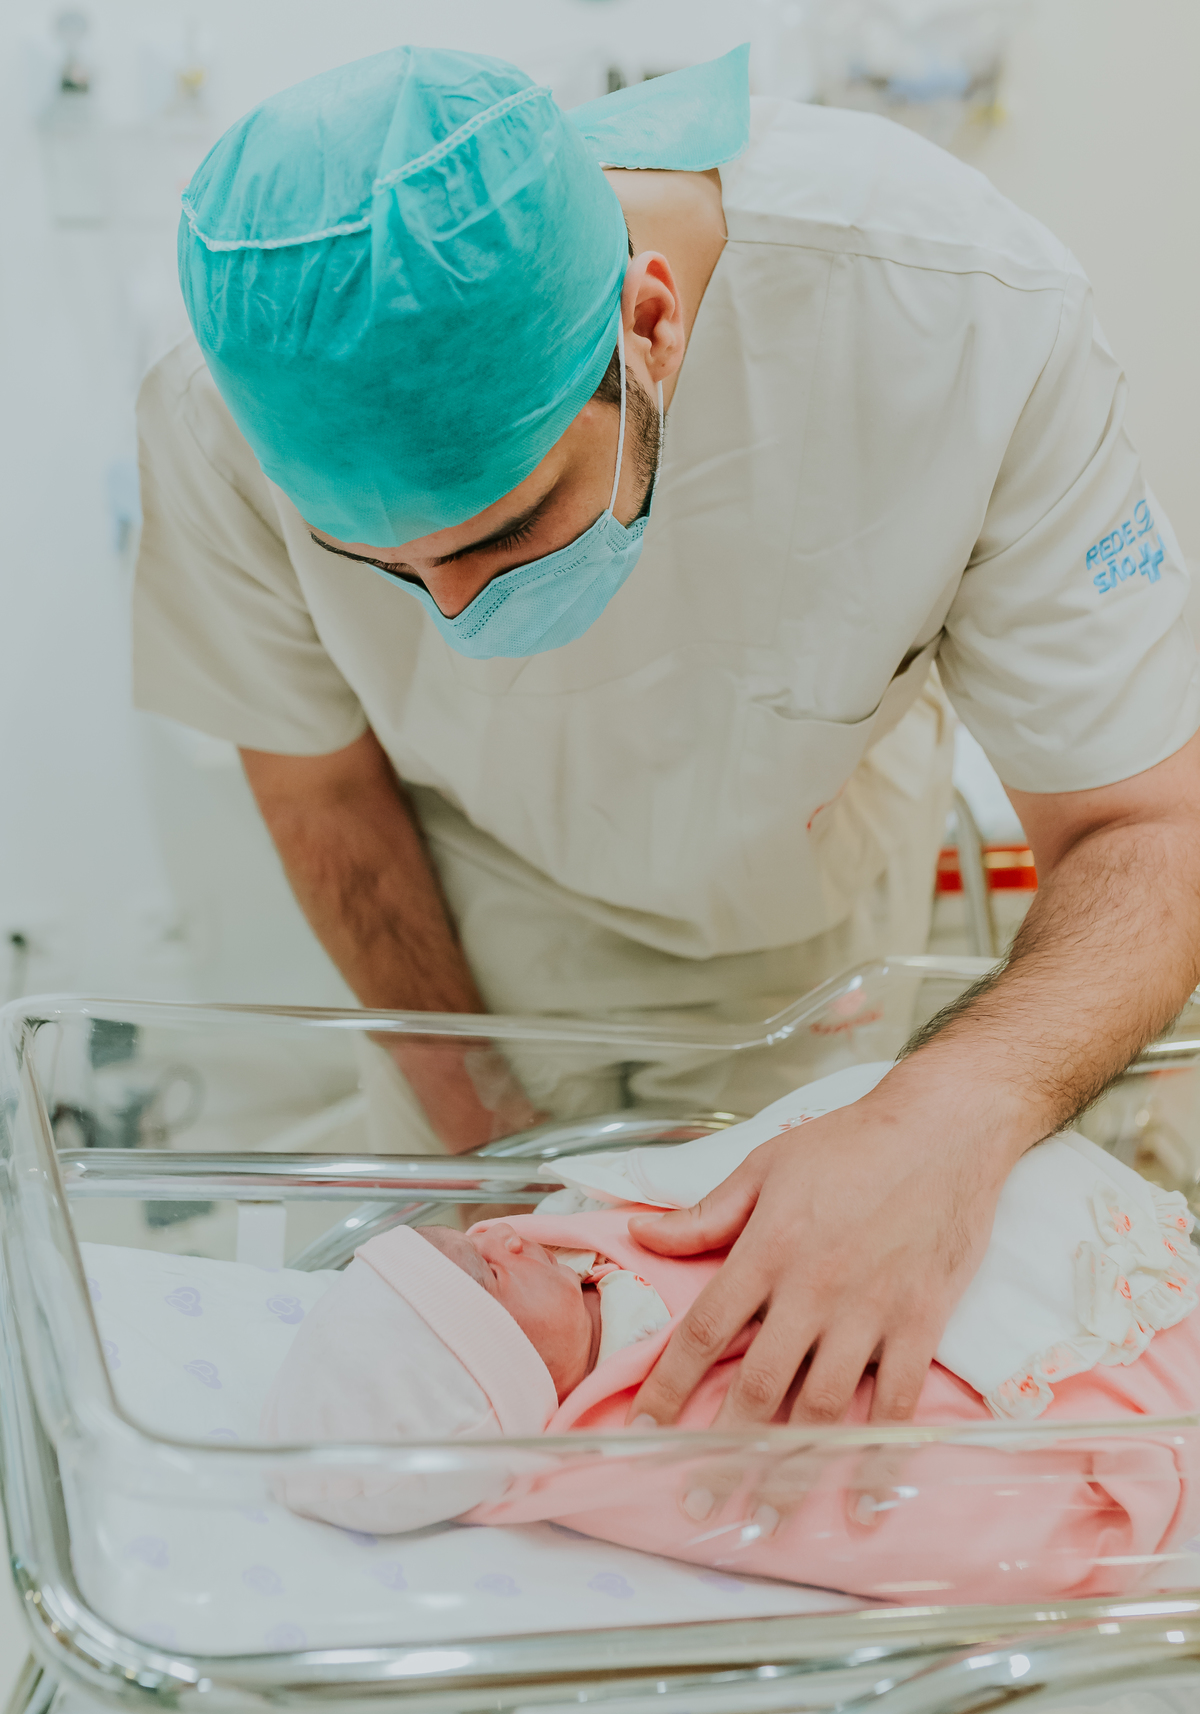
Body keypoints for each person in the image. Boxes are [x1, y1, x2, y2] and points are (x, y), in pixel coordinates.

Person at [134, 44, 1200, 1444]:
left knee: (779, 1427)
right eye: (382, 568)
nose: (453, 616)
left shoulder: (955, 314)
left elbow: (1150, 827)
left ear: (651, 324)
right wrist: (493, 1157)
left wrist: (941, 1118)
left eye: (509, 534)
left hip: (801, 946)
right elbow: (323, 791)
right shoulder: (224, 412)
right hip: (462, 937)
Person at [260, 1114, 1200, 1604]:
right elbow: (869, 1514)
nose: (498, 1235)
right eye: (484, 1274)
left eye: (469, 1236)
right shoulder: (630, 1450)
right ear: (504, 1380)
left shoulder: (572, 1251)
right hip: (1108, 1406)